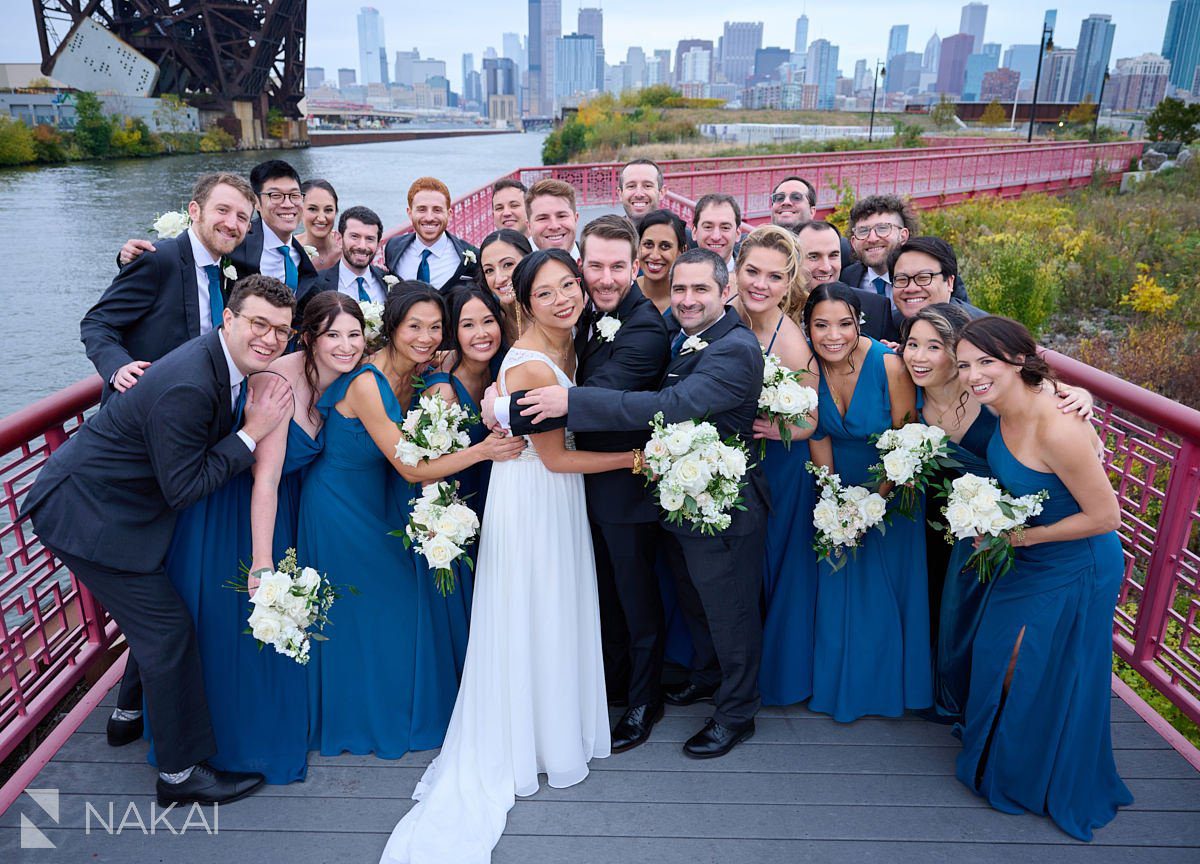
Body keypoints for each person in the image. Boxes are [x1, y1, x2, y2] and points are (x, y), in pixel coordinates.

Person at [380, 249, 635, 863]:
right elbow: (556, 457)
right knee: (535, 610)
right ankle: (530, 742)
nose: (564, 298)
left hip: (553, 500)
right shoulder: (529, 366)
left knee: (551, 610)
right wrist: (633, 459)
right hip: (535, 500)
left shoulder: (569, 347)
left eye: (569, 285)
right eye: (545, 292)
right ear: (524, 301)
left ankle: (553, 729)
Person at [23, 277, 296, 805]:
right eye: (258, 324)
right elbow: (186, 486)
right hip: (88, 515)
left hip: (109, 504)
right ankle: (179, 774)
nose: (269, 339)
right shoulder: (191, 385)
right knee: (168, 631)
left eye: (281, 330)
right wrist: (252, 431)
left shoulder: (221, 364)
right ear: (229, 320)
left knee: (154, 622)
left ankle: (128, 716)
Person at [515, 247, 768, 760]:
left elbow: (673, 406)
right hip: (683, 501)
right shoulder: (688, 335)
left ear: (726, 292)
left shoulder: (734, 348)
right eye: (680, 289)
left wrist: (573, 402)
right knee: (698, 603)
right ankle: (705, 678)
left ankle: (737, 713)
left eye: (701, 289)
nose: (689, 299)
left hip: (722, 508)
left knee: (730, 613)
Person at [148, 287, 365, 785]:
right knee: (237, 633)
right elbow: (264, 479)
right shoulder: (276, 384)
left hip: (285, 511)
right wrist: (261, 562)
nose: (346, 345)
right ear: (308, 339)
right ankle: (230, 749)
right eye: (332, 335)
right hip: (239, 514)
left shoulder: (346, 370)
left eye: (354, 335)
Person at [298, 283, 524, 760]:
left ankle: (393, 704)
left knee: (391, 604)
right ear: (392, 329)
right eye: (413, 327)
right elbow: (407, 465)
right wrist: (482, 450)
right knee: (372, 610)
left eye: (434, 327)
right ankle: (362, 714)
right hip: (339, 505)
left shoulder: (422, 372)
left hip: (380, 499)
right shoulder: (365, 382)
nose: (425, 337)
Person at [488, 216, 672, 751]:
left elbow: (592, 405)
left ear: (635, 266)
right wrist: (503, 401)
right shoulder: (579, 321)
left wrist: (500, 406)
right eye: (594, 267)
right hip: (566, 491)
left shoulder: (643, 329)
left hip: (620, 491)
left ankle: (643, 701)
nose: (603, 279)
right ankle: (608, 687)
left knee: (636, 600)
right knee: (597, 599)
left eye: (618, 266)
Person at [954, 315, 1132, 841]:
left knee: (1031, 662)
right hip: (1031, 553)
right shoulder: (1014, 401)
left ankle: (1037, 772)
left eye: (985, 362)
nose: (972, 375)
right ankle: (1004, 758)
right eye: (965, 364)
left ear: (1017, 361)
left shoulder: (1057, 424)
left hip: (1077, 562)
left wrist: (1018, 538)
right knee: (997, 654)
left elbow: (1107, 517)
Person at [804, 282, 932, 722]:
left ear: (860, 322)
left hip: (891, 489)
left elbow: (906, 442)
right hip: (840, 485)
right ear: (808, 328)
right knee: (839, 584)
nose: (833, 335)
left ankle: (888, 688)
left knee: (882, 590)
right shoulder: (809, 365)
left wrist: (872, 504)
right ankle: (841, 686)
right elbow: (818, 434)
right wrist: (834, 498)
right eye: (821, 325)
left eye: (844, 323)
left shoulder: (891, 365)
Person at [728, 226, 820, 707]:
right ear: (737, 270)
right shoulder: (725, 318)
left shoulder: (791, 341)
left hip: (779, 467)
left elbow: (809, 419)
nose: (760, 284)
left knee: (775, 566)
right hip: (730, 460)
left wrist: (772, 426)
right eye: (752, 271)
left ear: (788, 284)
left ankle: (776, 675)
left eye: (774, 276)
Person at [84, 172, 256, 403]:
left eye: (242, 217)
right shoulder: (159, 259)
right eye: (222, 210)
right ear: (194, 211)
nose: (232, 224)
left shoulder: (232, 269)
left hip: (205, 404)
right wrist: (119, 369)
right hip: (149, 405)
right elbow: (97, 323)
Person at [420, 283, 507, 520]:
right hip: (454, 510)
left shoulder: (502, 371)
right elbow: (427, 472)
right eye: (468, 325)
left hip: (494, 500)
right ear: (454, 332)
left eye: (488, 321)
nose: (482, 333)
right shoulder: (443, 391)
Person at [794, 220, 899, 343]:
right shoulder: (777, 309)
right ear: (794, 259)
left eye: (833, 255)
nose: (826, 267)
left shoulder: (875, 307)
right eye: (813, 256)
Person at [383, 177, 480, 292]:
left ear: (449, 214)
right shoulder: (393, 247)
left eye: (437, 210)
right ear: (410, 213)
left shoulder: (472, 256)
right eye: (422, 209)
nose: (429, 218)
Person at [309, 205, 391, 309]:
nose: (362, 246)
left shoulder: (389, 282)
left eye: (370, 239)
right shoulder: (316, 285)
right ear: (339, 239)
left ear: (379, 244)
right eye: (354, 237)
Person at [888, 236, 982, 322]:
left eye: (923, 278)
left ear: (949, 283)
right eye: (902, 279)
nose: (911, 288)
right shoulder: (886, 326)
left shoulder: (979, 332)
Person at [476, 228, 534, 344]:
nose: (499, 279)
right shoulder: (489, 318)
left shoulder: (549, 311)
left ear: (529, 261)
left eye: (508, 264)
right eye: (489, 270)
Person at [636, 208, 687, 314]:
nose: (655, 256)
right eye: (648, 244)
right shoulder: (623, 292)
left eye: (665, 246)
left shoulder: (689, 301)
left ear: (682, 251)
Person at [526, 178, 581, 259]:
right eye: (543, 218)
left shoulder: (598, 261)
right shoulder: (518, 268)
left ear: (575, 219)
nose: (554, 226)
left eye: (561, 216)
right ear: (529, 226)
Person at [691, 192, 741, 270]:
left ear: (737, 234)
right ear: (694, 232)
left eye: (725, 228)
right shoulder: (680, 276)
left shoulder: (750, 279)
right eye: (708, 227)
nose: (716, 237)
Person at [300, 179, 341, 271]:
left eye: (328, 210)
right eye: (312, 209)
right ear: (299, 210)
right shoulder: (289, 251)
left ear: (336, 212)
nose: (321, 218)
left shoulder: (348, 250)